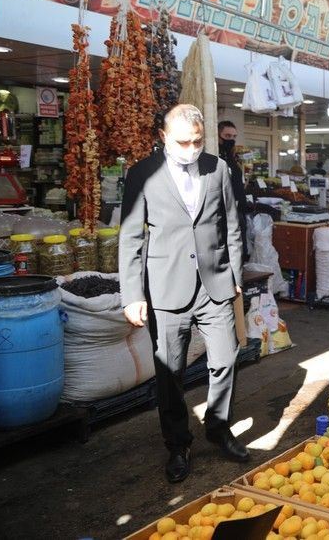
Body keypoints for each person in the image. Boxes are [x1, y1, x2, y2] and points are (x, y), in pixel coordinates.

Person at [120, 105, 247, 483]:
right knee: (169, 373)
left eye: (197, 141)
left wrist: (235, 275)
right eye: (182, 142)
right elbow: (131, 237)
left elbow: (233, 224)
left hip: (216, 284)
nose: (191, 148)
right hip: (165, 287)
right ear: (163, 136)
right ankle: (178, 444)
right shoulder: (143, 174)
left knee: (225, 359)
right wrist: (132, 294)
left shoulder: (219, 168)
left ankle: (218, 427)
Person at [217, 121, 249, 261]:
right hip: (223, 213)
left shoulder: (231, 157)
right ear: (217, 135)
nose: (231, 139)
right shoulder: (214, 156)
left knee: (240, 253)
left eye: (234, 136)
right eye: (227, 135)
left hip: (238, 211)